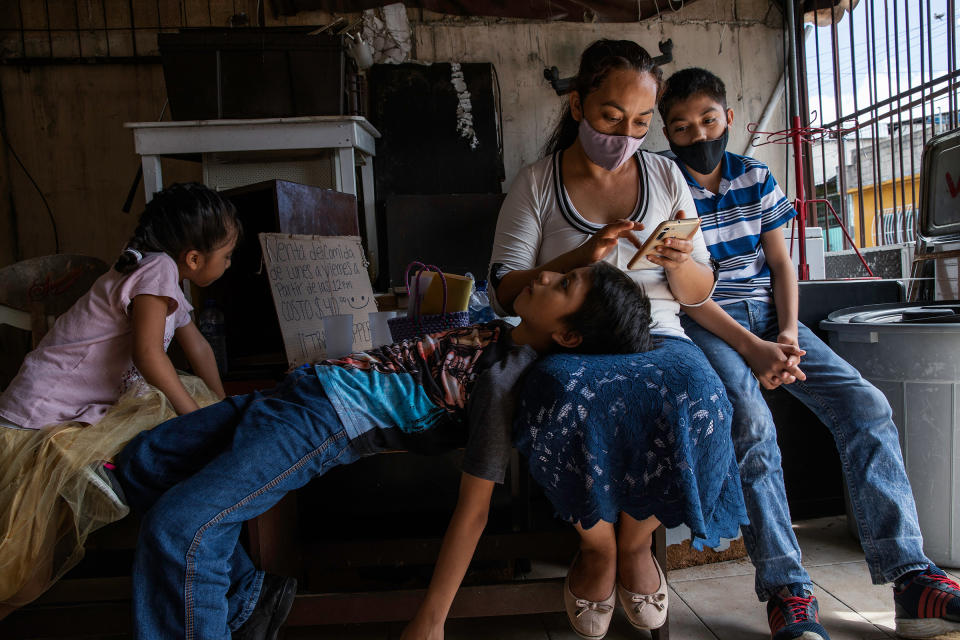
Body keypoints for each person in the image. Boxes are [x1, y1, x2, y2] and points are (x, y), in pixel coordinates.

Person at [113, 261, 656, 640]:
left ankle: (217, 609)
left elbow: (474, 512)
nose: (543, 275)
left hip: (321, 421)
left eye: (562, 285)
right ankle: (246, 603)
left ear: (568, 338)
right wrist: (593, 257)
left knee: (184, 528)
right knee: (142, 465)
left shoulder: (503, 386)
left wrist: (432, 619)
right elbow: (528, 292)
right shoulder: (511, 328)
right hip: (299, 392)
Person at [660, 66, 960, 640]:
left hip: (774, 318)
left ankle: (912, 579)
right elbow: (684, 291)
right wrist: (752, 350)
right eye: (680, 126)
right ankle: (786, 591)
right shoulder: (664, 188)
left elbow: (779, 265)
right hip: (709, 324)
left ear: (729, 119)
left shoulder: (754, 177)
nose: (698, 134)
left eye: (708, 119)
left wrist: (791, 335)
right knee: (750, 425)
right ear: (668, 135)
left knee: (866, 407)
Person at [488, 39, 745, 639]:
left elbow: (697, 289)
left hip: (657, 335)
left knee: (699, 396)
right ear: (577, 104)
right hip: (572, 341)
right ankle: (596, 545)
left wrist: (680, 262)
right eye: (610, 117)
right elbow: (503, 289)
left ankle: (634, 543)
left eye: (640, 121)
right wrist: (585, 253)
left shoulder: (665, 176)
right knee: (559, 401)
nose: (625, 133)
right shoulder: (536, 183)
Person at [0, 182, 238, 616]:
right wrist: (196, 420)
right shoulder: (157, 272)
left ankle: (111, 471)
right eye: (226, 256)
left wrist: (222, 409)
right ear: (193, 258)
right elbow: (148, 355)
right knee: (21, 577)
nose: (229, 263)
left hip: (69, 412)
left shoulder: (162, 275)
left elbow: (199, 348)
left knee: (181, 401)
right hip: (37, 418)